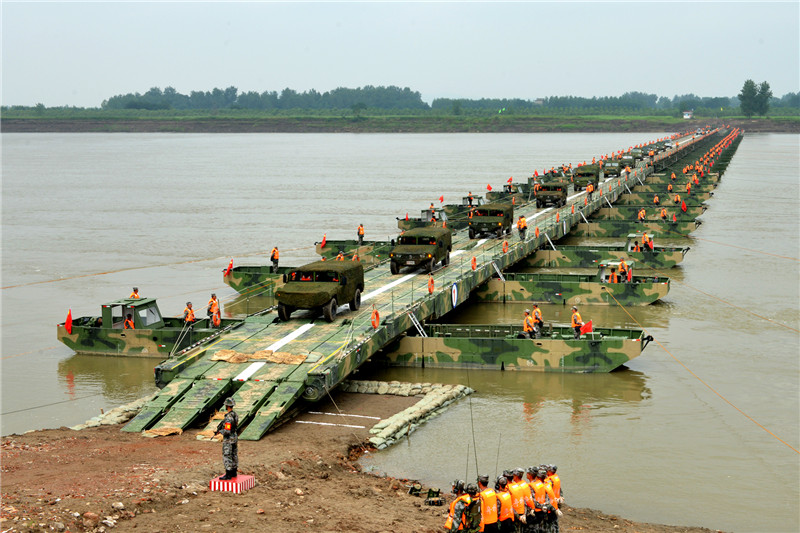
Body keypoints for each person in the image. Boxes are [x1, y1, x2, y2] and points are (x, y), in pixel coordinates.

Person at [214, 397, 238, 480]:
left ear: (227, 406)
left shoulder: (228, 418)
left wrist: (220, 432)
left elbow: (227, 431)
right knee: (234, 455)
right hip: (234, 438)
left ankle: (228, 474)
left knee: (227, 455)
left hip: (228, 439)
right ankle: (234, 472)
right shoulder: (235, 415)